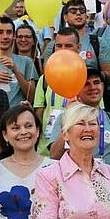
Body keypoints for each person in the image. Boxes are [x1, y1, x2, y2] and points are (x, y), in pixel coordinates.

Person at [48, 67, 110, 188]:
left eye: (96, 82)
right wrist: (70, 121)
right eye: (86, 84)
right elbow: (54, 155)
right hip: (75, 188)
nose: (93, 87)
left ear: (103, 86)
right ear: (77, 89)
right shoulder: (64, 118)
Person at [34, 28, 82, 157]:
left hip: (77, 152)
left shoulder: (86, 78)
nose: (63, 50)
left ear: (79, 47)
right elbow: (39, 114)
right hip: (47, 152)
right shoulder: (45, 79)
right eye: (59, 46)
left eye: (68, 46)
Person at [0, 16, 38, 107]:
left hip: (17, 116)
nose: (5, 37)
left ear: (14, 36)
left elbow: (32, 97)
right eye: (0, 32)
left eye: (9, 32)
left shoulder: (26, 61)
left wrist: (16, 71)